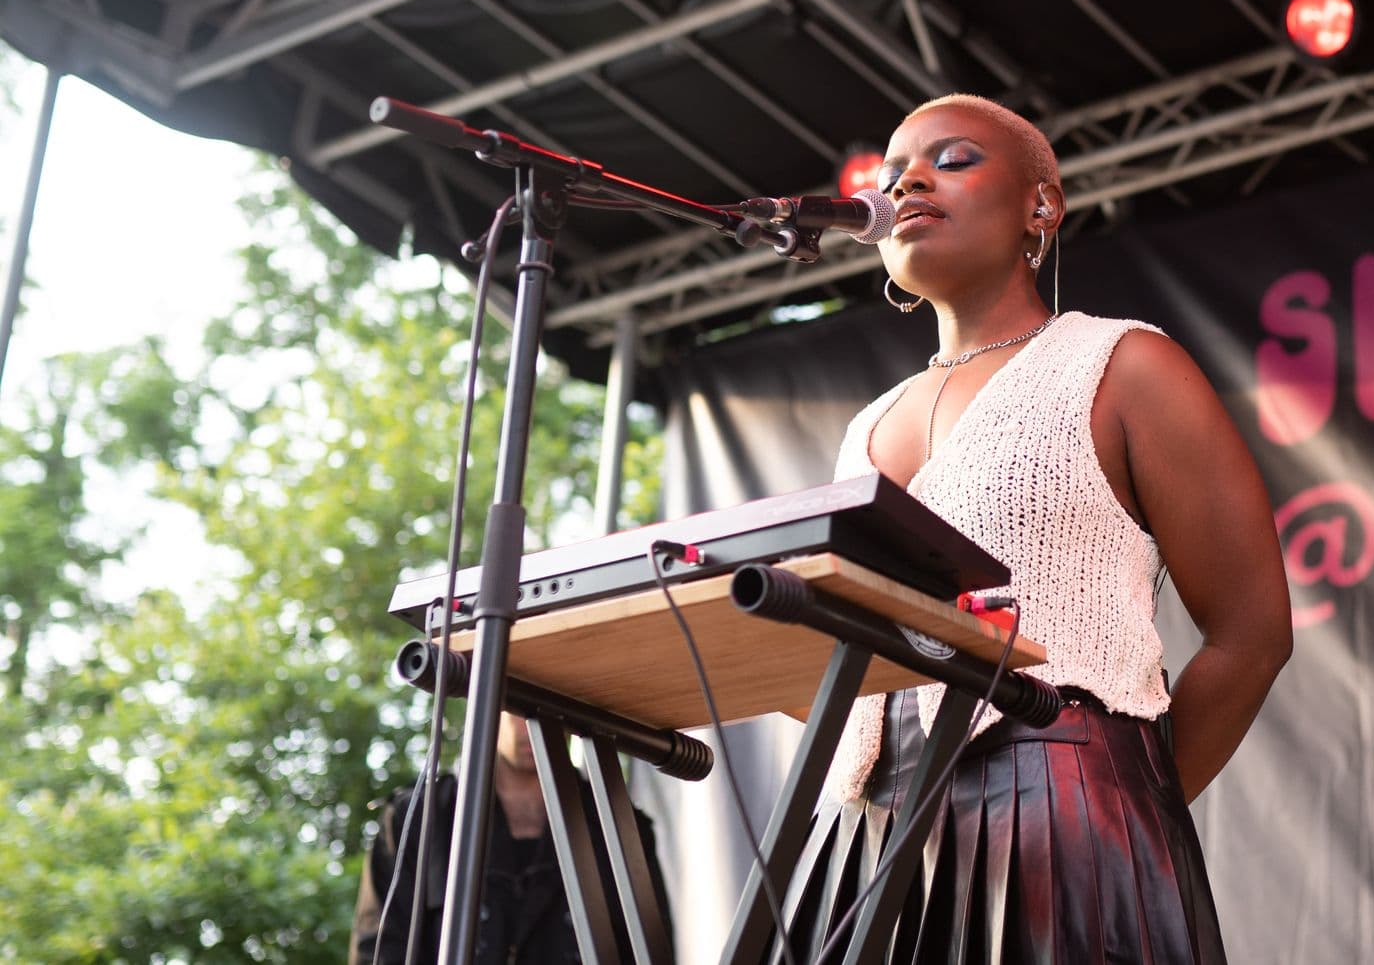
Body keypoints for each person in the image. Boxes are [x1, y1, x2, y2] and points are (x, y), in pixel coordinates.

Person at [774, 93, 1293, 963]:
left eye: (953, 159)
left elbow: (1252, 634)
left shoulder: (1119, 364)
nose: (907, 183)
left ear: (1040, 206)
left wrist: (1127, 800)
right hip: (866, 840)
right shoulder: (864, 429)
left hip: (1062, 812)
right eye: (893, 172)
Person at [350, 713, 673, 964]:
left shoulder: (617, 824)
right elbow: (378, 950)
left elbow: (651, 950)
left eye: (546, 706)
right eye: (516, 706)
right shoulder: (418, 817)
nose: (531, 724)